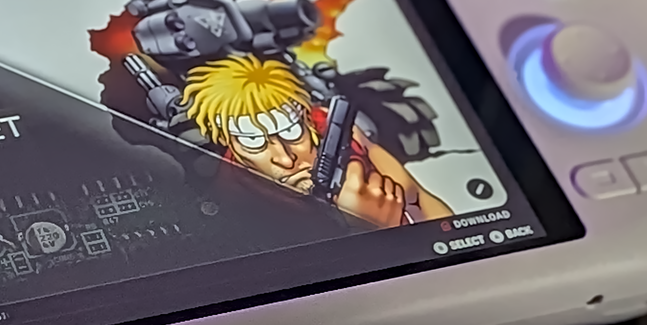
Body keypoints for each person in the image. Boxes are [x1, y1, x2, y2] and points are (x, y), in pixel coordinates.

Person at [181, 54, 452, 227]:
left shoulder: (335, 129)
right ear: (228, 141)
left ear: (305, 116)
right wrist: (376, 229)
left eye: (291, 130)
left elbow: (420, 200)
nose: (286, 158)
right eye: (253, 141)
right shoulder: (235, 198)